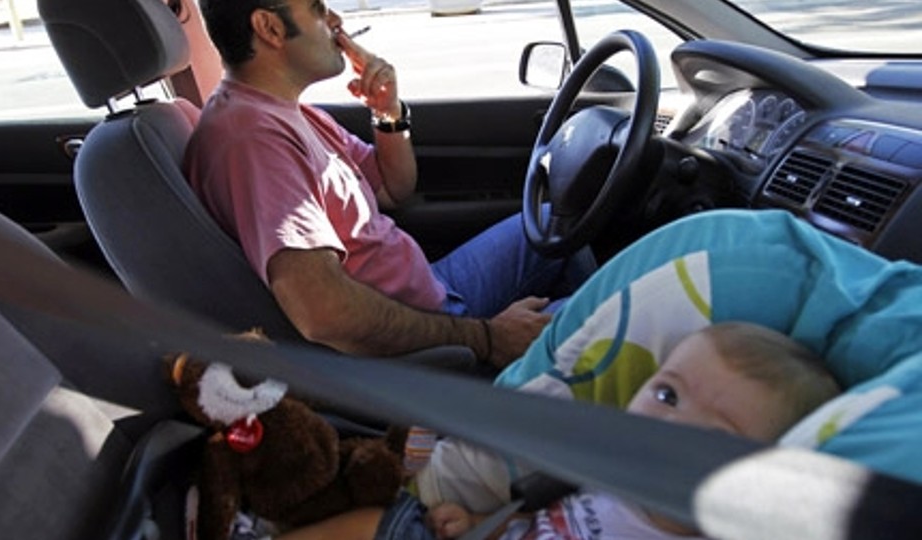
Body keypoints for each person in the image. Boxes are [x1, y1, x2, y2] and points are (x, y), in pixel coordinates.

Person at [183, 0, 596, 368]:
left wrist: (387, 110)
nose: (335, 20)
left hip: (433, 289)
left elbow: (394, 189)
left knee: (556, 218)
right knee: (626, 319)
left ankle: (552, 384)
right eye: (317, 7)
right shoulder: (253, 140)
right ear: (270, 27)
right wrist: (487, 337)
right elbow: (323, 311)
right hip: (423, 342)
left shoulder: (287, 113)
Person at [271, 321, 841, 539]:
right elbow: (539, 519)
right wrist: (476, 523)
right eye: (666, 393)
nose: (668, 423)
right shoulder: (606, 476)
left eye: (712, 436)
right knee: (382, 524)